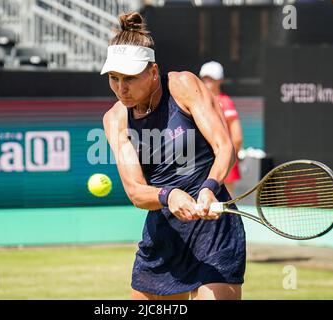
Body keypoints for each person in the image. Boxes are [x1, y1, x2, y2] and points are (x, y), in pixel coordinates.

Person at [101, 12, 246, 300]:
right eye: (114, 78)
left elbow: (224, 147)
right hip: (163, 233)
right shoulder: (115, 119)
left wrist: (209, 188)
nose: (121, 88)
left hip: (213, 228)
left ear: (153, 72)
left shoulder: (183, 85)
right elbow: (136, 192)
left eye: (129, 78)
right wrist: (170, 196)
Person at [199, 61, 243, 196]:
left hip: (223, 157)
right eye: (205, 78)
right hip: (202, 160)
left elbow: (237, 137)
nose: (208, 82)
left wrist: (228, 157)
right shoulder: (198, 102)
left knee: (226, 201)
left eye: (211, 78)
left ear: (220, 80)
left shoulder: (225, 102)